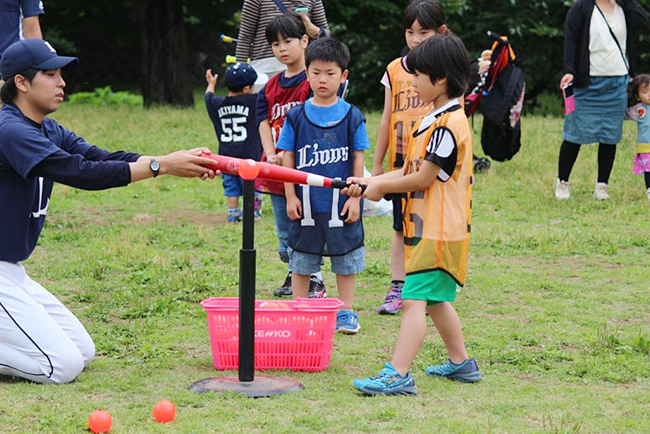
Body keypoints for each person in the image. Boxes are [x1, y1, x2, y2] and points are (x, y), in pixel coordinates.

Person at [0, 39, 217, 384]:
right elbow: (81, 173)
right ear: (22, 83)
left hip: (12, 270)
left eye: (61, 75)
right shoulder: (10, 130)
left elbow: (100, 157)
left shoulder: (46, 127)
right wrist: (162, 166)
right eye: (51, 74)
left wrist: (175, 159)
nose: (62, 83)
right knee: (61, 366)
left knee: (81, 351)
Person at [346, 34, 481, 395]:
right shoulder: (432, 119)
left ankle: (398, 373)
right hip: (428, 229)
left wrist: (379, 189)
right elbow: (409, 169)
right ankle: (461, 362)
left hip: (439, 231)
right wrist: (368, 181)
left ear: (439, 81)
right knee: (435, 299)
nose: (412, 83)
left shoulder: (450, 124)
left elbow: (421, 178)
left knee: (412, 300)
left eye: (418, 77)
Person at [278, 38, 369, 333]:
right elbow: (287, 158)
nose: (322, 80)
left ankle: (346, 311)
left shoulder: (353, 116)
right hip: (305, 203)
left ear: (344, 75)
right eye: (316, 72)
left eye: (330, 73)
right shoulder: (296, 116)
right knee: (302, 258)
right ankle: (300, 309)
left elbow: (358, 158)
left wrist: (356, 197)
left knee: (346, 256)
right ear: (306, 73)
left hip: (340, 204)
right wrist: (290, 195)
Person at [372, 0, 448, 316]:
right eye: (410, 32)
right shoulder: (393, 69)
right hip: (400, 165)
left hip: (429, 164)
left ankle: (427, 287)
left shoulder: (445, 73)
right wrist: (376, 165)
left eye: (424, 32)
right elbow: (386, 117)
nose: (415, 40)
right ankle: (397, 286)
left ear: (441, 32)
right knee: (400, 227)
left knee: (427, 226)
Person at [256, 13, 326, 298]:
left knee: (307, 224)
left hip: (305, 168)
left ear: (304, 41)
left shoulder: (313, 81)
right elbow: (262, 121)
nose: (282, 48)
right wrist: (271, 154)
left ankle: (315, 278)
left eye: (288, 41)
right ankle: (294, 272)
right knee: (284, 231)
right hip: (276, 170)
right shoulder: (270, 86)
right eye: (275, 44)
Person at [555, 0, 648, 200]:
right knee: (574, 133)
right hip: (587, 82)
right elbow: (570, 41)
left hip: (617, 82)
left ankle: (602, 186)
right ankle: (562, 182)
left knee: (610, 135)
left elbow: (642, 20)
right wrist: (569, 71)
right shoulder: (580, 8)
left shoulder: (623, 7)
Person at [205, 63, 263, 222]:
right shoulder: (254, 101)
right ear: (246, 89)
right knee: (253, 185)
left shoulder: (217, 104)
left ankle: (232, 213)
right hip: (250, 157)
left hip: (226, 158)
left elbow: (208, 98)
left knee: (231, 187)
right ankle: (252, 212)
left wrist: (211, 84)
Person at [236, 0, 329, 87]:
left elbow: (325, 37)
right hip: (265, 69)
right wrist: (240, 76)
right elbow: (245, 38)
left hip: (303, 68)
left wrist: (309, 26)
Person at [625, 74, 650, 200]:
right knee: (649, 170)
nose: (649, 94)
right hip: (646, 146)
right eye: (645, 92)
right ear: (637, 96)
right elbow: (622, 114)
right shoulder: (638, 110)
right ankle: (649, 190)